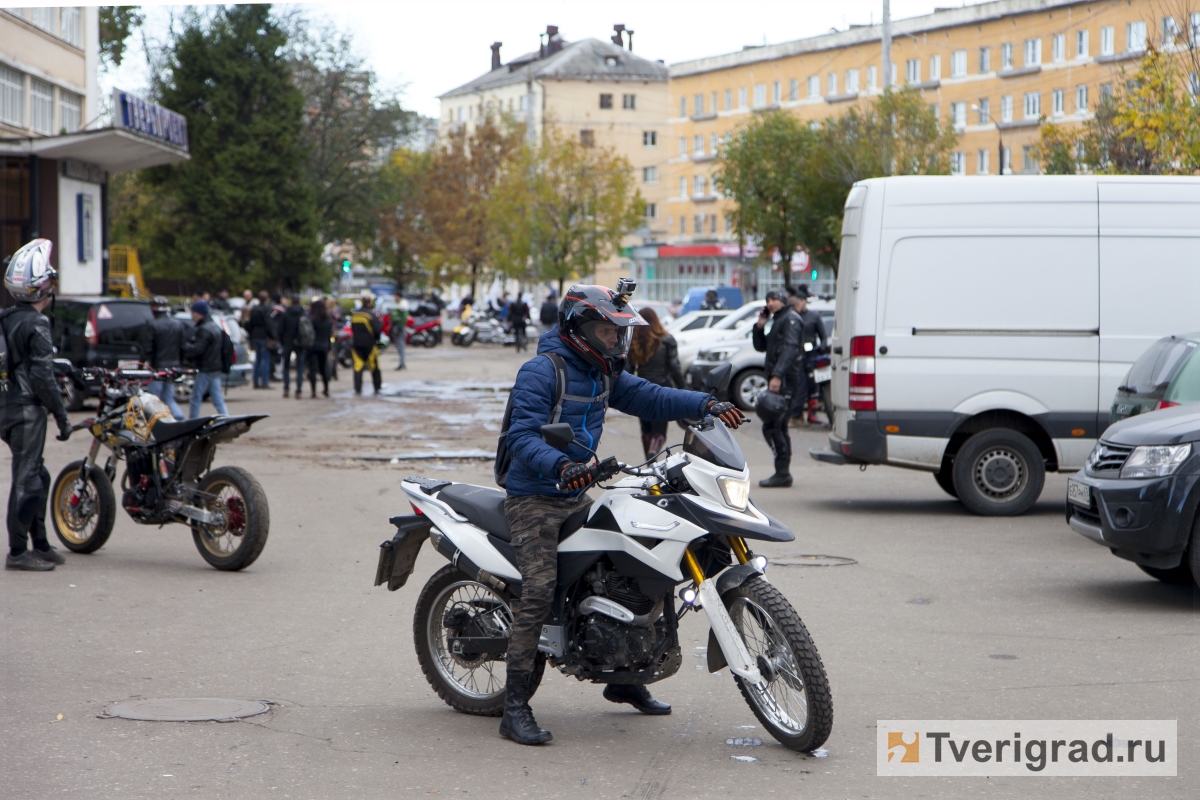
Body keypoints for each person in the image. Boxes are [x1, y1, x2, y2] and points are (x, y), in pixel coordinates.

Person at [499, 283, 746, 746]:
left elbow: (653, 398)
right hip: (534, 497)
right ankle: (514, 707)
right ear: (580, 330)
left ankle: (624, 676)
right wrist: (562, 465)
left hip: (577, 490)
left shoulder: (603, 374)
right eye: (607, 333)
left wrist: (707, 404)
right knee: (538, 588)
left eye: (618, 335)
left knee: (636, 566)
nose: (615, 342)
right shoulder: (542, 371)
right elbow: (522, 437)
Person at [1, 239, 71, 571]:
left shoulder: (6, 317)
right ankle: (18, 552)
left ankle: (40, 544)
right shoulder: (37, 323)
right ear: (44, 287)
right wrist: (60, 413)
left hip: (8, 407)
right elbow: (43, 378)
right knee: (28, 478)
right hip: (28, 410)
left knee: (36, 474)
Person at [751, 289, 802, 487]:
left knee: (774, 425)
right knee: (774, 425)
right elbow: (761, 346)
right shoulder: (779, 319)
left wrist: (778, 375)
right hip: (778, 378)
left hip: (786, 379)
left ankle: (783, 472)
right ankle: (781, 471)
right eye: (768, 300)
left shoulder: (791, 319)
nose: (770, 303)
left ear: (782, 300)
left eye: (773, 300)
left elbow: (790, 350)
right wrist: (760, 326)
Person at [628, 307, 686, 459]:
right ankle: (654, 450)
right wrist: (683, 389)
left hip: (641, 389)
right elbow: (675, 368)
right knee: (659, 430)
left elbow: (628, 369)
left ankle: (649, 460)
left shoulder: (634, 340)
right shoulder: (667, 339)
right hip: (662, 389)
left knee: (646, 429)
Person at [787, 286, 828, 424]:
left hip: (811, 355)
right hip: (797, 355)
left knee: (812, 385)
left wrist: (821, 348)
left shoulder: (814, 316)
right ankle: (797, 414)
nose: (800, 303)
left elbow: (823, 336)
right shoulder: (793, 316)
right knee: (799, 385)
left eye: (802, 300)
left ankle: (812, 413)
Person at [183, 300, 228, 419]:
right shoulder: (214, 326)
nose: (191, 315)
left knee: (195, 397)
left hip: (207, 367)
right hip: (215, 366)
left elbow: (197, 349)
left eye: (192, 312)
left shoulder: (204, 329)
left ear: (198, 313)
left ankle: (192, 423)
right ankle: (225, 419)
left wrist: (183, 345)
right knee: (217, 397)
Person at [146, 296, 186, 420]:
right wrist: (181, 364)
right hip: (173, 367)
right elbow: (183, 347)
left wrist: (141, 364)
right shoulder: (178, 324)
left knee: (154, 398)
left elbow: (148, 348)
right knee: (168, 397)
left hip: (157, 367)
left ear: (153, 309)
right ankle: (179, 418)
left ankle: (157, 423)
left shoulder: (152, 324)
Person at [350, 292, 383, 396]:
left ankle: (357, 389)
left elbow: (352, 328)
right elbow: (377, 330)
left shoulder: (355, 315)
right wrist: (377, 340)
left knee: (357, 367)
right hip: (370, 345)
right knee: (374, 367)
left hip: (356, 345)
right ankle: (377, 387)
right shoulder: (371, 315)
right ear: (370, 303)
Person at [278, 295, 305, 398]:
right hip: (300, 342)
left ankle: (286, 388)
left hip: (287, 341)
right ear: (299, 302)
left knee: (286, 366)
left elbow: (280, 330)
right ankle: (299, 390)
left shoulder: (286, 313)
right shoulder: (303, 313)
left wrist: (282, 341)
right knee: (300, 367)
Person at [305, 298, 333, 398]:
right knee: (323, 368)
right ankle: (326, 388)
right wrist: (329, 347)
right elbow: (329, 335)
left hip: (312, 346)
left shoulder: (312, 320)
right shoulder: (328, 320)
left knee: (312, 369)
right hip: (324, 346)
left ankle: (313, 391)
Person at [246, 291, 273, 389]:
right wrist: (272, 336)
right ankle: (264, 381)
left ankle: (256, 381)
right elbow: (268, 324)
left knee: (257, 358)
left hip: (255, 334)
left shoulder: (254, 309)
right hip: (263, 335)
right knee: (265, 359)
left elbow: (249, 322)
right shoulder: (266, 309)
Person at [390, 293, 409, 370]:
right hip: (396, 326)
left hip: (399, 327)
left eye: (395, 296)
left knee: (400, 346)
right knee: (399, 346)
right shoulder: (398, 304)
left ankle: (402, 364)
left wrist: (400, 326)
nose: (394, 297)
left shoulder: (403, 304)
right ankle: (401, 363)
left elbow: (404, 317)